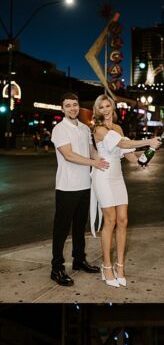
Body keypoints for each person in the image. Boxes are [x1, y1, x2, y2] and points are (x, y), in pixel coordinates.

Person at [90, 94, 162, 289]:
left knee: (123, 220)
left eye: (107, 106)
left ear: (112, 107)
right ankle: (106, 267)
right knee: (110, 220)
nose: (105, 110)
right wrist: (148, 141)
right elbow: (122, 144)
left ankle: (120, 266)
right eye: (101, 107)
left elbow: (128, 155)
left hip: (117, 176)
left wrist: (147, 155)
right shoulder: (99, 129)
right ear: (98, 110)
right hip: (103, 176)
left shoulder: (118, 128)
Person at [50, 92, 109, 287]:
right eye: (68, 105)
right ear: (62, 109)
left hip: (86, 185)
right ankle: (56, 268)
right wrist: (93, 162)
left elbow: (91, 150)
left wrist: (104, 156)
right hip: (67, 186)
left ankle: (79, 259)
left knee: (79, 226)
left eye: (75, 104)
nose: (73, 108)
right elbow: (68, 155)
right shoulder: (59, 129)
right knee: (61, 228)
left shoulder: (85, 128)